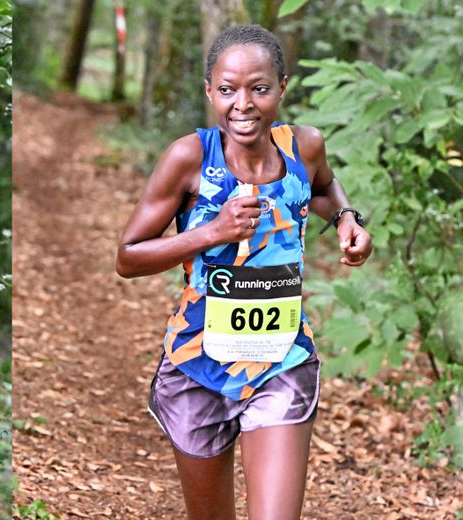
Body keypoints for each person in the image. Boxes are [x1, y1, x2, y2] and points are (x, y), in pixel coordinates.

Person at [116, 24, 372, 520]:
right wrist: (210, 232)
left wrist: (347, 218)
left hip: (282, 360)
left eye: (259, 88)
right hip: (198, 363)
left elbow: (321, 189)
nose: (243, 104)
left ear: (282, 87)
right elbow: (128, 256)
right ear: (209, 90)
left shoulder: (305, 146)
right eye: (228, 89)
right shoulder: (190, 157)